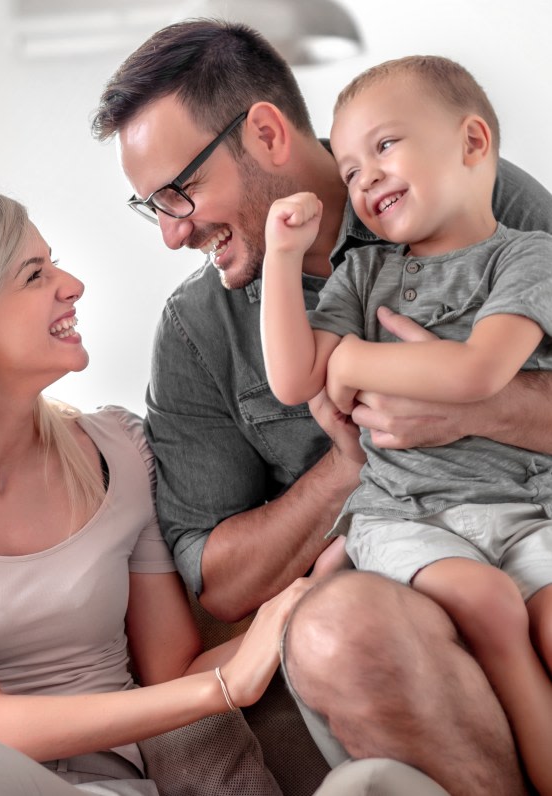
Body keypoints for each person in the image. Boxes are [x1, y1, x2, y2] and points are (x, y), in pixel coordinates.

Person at [91, 18, 552, 795]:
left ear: (266, 132)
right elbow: (221, 582)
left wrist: (472, 408)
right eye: (153, 209)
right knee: (337, 634)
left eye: (180, 192)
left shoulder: (479, 193)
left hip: (528, 515)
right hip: (392, 564)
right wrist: (350, 463)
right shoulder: (199, 329)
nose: (173, 235)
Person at [0, 191, 321, 796]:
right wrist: (222, 687)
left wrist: (299, 601)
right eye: (35, 275)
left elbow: (169, 675)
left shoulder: (120, 452)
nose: (73, 284)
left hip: (100, 787)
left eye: (54, 263)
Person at [261, 55, 552, 795]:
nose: (365, 181)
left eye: (384, 147)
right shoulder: (364, 276)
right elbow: (297, 379)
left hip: (525, 506)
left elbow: (478, 373)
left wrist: (355, 358)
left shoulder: (531, 259)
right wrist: (280, 260)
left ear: (473, 142)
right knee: (487, 602)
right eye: (350, 171)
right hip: (405, 512)